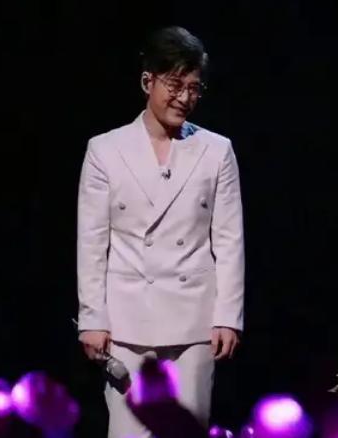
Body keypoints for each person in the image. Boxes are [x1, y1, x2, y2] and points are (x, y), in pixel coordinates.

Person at [76, 26, 245, 438]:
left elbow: (229, 239)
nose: (185, 98)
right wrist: (92, 318)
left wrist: (228, 316)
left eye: (194, 88)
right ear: (147, 81)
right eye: (175, 85)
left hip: (194, 324)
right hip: (126, 324)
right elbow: (92, 241)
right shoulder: (105, 150)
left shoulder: (217, 150)